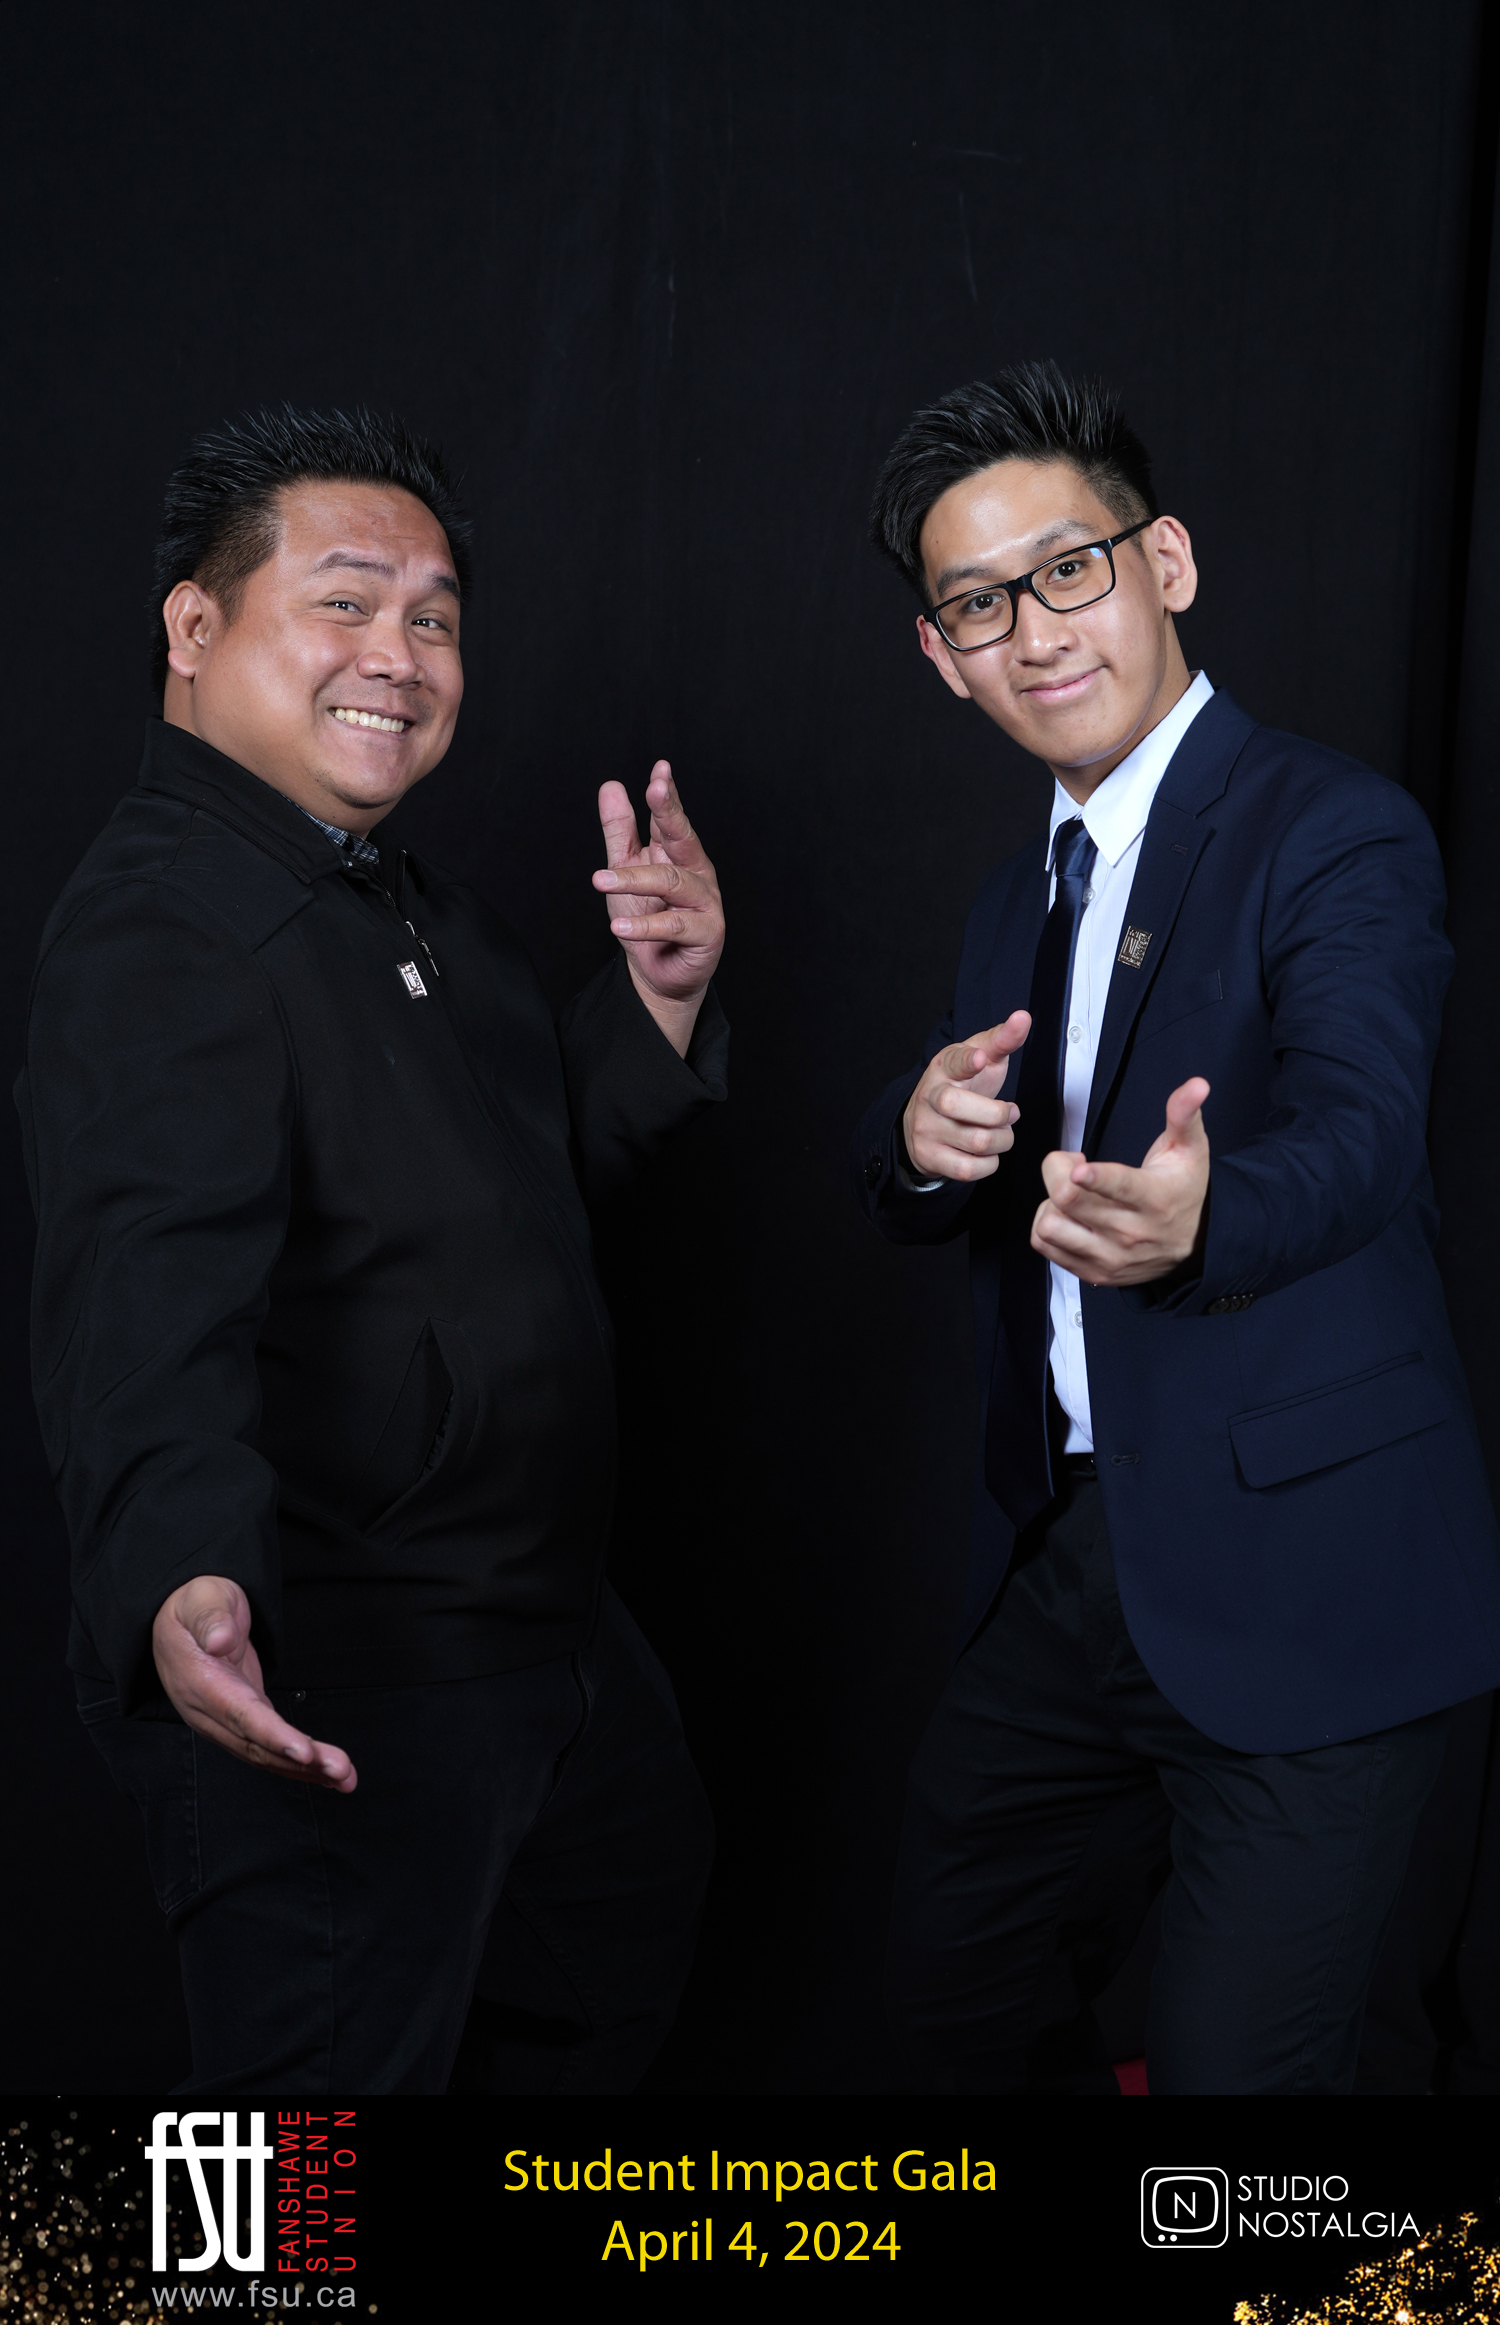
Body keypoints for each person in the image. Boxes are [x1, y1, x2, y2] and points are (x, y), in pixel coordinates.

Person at [18, 407, 727, 2094]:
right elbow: (143, 1289)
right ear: (195, 626)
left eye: (432, 616)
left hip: (543, 1638)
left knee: (601, 1994)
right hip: (342, 1669)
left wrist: (660, 998)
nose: (397, 656)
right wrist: (183, 1573)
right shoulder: (164, 924)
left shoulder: (413, 907)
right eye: (343, 601)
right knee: (289, 2190)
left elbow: (513, 1186)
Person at [852, 360, 1500, 2094]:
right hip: (1081, 1561)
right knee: (946, 2002)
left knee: (1235, 2103)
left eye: (1068, 569)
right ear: (940, 653)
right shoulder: (1015, 893)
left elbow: (1364, 1132)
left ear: (1167, 563)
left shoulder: (1334, 827)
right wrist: (919, 1142)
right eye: (978, 604)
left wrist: (1209, 1215)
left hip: (1313, 1579)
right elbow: (940, 1158)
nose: (1034, 632)